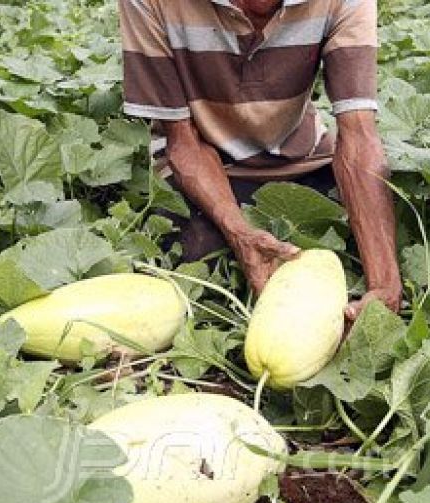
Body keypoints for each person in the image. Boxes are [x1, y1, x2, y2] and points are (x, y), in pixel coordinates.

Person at [120, 0, 400, 320]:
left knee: (374, 237)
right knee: (198, 263)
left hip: (302, 161)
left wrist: (385, 286)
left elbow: (359, 137)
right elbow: (184, 142)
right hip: (207, 170)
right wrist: (239, 233)